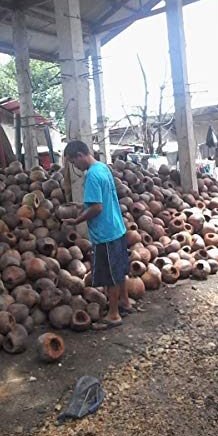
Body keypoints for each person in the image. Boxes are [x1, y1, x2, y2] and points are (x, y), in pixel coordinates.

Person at [63, 140, 133, 330]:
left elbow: (97, 207)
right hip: (117, 228)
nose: (75, 166)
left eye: (73, 162)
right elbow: (101, 199)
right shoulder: (102, 167)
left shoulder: (92, 176)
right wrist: (81, 206)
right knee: (119, 270)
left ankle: (113, 314)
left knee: (110, 275)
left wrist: (77, 221)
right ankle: (125, 303)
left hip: (105, 233)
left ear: (80, 155)